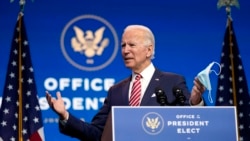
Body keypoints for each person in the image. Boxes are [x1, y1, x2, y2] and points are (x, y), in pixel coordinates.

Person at [46, 25, 206, 141]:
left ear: (149, 50)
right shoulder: (115, 91)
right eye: (123, 45)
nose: (125, 50)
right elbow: (96, 132)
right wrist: (65, 115)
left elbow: (190, 121)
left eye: (132, 45)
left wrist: (195, 101)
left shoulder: (172, 82)